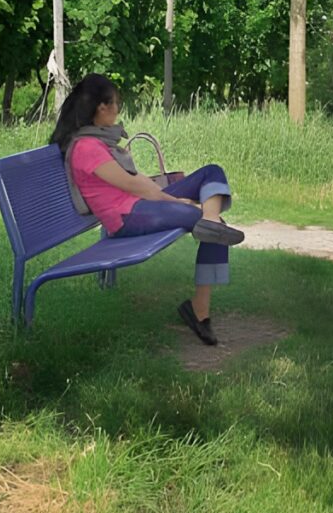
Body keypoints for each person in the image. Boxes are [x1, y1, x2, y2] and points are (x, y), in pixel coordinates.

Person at [50, 74, 246, 346]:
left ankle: (211, 220)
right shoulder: (87, 148)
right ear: (101, 108)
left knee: (211, 176)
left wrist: (171, 199)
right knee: (203, 222)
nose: (118, 110)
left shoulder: (100, 140)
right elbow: (132, 185)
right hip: (125, 217)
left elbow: (139, 183)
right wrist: (178, 202)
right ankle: (199, 309)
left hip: (141, 205)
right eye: (116, 104)